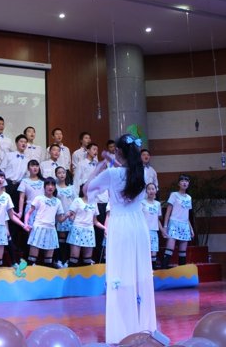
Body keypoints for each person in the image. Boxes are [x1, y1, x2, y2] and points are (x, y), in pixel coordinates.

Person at [85, 134, 156, 344]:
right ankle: (143, 328)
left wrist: (100, 167)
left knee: (121, 276)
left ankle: (123, 332)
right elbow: (126, 173)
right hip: (139, 225)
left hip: (121, 226)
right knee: (138, 275)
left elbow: (87, 189)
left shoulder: (111, 173)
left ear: (118, 152)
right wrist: (113, 161)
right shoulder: (142, 172)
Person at [23, 177, 65, 267]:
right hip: (38, 228)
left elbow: (60, 219)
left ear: (55, 187)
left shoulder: (58, 201)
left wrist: (68, 215)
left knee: (48, 261)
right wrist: (26, 224)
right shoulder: (39, 198)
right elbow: (29, 213)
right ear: (44, 186)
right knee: (32, 259)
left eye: (52, 185)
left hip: (51, 230)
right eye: (48, 184)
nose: (50, 187)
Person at [66, 185, 106, 267]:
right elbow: (71, 215)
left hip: (89, 231)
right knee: (74, 258)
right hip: (77, 230)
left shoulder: (94, 203)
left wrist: (105, 228)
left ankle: (85, 275)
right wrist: (73, 219)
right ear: (82, 190)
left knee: (87, 260)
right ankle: (71, 275)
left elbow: (95, 221)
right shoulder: (77, 200)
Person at [161, 174, 194, 269]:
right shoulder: (174, 195)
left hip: (185, 225)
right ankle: (163, 272)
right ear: (179, 183)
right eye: (182, 181)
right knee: (169, 250)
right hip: (174, 223)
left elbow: (186, 215)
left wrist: (191, 228)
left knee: (183, 252)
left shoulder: (189, 198)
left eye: (186, 181)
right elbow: (168, 212)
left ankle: (181, 273)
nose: (184, 183)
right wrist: (165, 226)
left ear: (188, 183)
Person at [142, 183, 167, 269]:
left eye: (153, 189)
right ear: (146, 191)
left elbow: (157, 219)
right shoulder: (142, 203)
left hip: (154, 231)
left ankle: (153, 271)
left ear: (156, 190)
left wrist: (163, 230)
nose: (151, 191)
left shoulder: (157, 204)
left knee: (154, 252)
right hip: (144, 231)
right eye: (149, 189)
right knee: (145, 252)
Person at [55, 166, 76, 268]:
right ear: (56, 175)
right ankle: (60, 260)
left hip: (71, 217)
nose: (62, 174)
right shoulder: (55, 188)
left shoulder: (72, 188)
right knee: (61, 239)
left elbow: (76, 202)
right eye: (59, 173)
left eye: (63, 172)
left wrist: (74, 215)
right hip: (61, 217)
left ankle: (68, 260)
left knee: (70, 239)